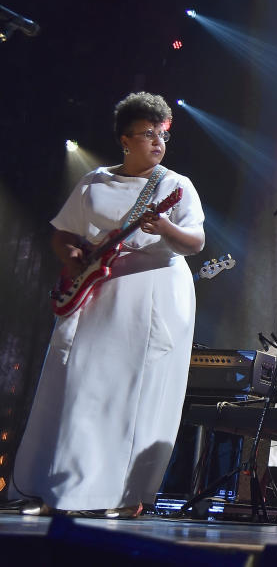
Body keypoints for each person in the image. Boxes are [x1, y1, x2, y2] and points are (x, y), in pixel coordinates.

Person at [12, 92, 205, 517]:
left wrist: (166, 225)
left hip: (153, 289)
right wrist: (71, 255)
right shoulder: (95, 181)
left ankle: (123, 496)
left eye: (163, 135)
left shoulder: (175, 185)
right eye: (149, 134)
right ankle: (59, 489)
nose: (158, 143)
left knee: (135, 393)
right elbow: (63, 233)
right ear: (124, 140)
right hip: (99, 289)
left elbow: (196, 242)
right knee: (78, 385)